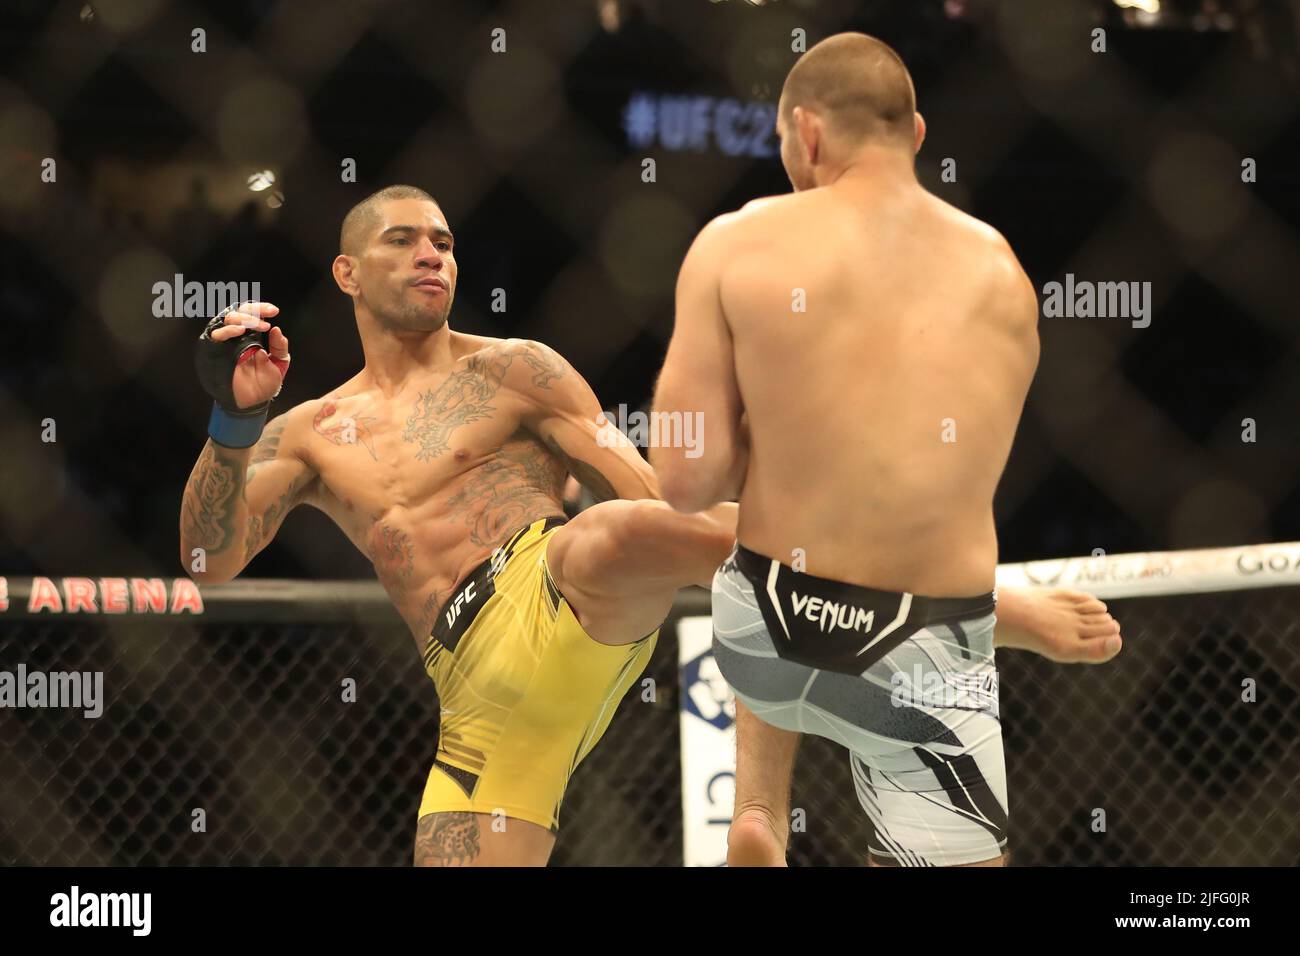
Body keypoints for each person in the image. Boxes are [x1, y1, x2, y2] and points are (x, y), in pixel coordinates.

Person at [181, 184, 1114, 868]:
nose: (434, 254)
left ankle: (977, 606)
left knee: (619, 534)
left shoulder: (514, 370)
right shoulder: (308, 432)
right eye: (403, 240)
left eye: (445, 240)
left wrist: (699, 529)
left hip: (554, 590)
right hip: (477, 715)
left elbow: (662, 502)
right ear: (346, 270)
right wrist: (231, 424)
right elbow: (207, 562)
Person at [650, 33, 1121, 868]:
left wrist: (779, 421)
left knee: (752, 534)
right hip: (925, 651)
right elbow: (943, 473)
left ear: (808, 132)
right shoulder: (1003, 274)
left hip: (766, 628)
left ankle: (757, 808)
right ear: (917, 135)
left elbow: (686, 479)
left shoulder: (736, 240)